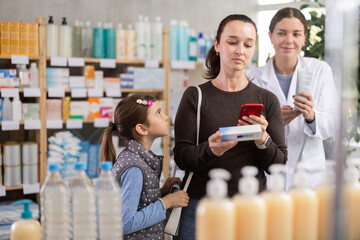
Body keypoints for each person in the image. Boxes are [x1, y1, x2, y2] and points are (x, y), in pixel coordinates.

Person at [173, 14, 287, 240]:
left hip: (251, 208)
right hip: (200, 209)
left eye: (248, 44)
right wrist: (211, 149)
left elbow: (279, 164)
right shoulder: (196, 96)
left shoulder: (267, 100)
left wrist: (262, 140)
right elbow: (181, 157)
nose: (240, 50)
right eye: (232, 42)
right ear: (217, 44)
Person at [249, 7, 338, 190]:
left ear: (304, 37)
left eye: (296, 34)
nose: (289, 40)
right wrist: (274, 122)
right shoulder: (254, 78)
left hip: (310, 178)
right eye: (282, 33)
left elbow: (332, 124)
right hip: (270, 176)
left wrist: (311, 116)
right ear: (270, 36)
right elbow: (247, 130)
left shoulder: (320, 71)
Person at [100, 94, 189, 239]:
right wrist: (166, 202)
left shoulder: (135, 159)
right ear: (142, 128)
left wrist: (161, 192)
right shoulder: (134, 168)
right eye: (158, 113)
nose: (166, 117)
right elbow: (126, 222)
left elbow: (139, 204)